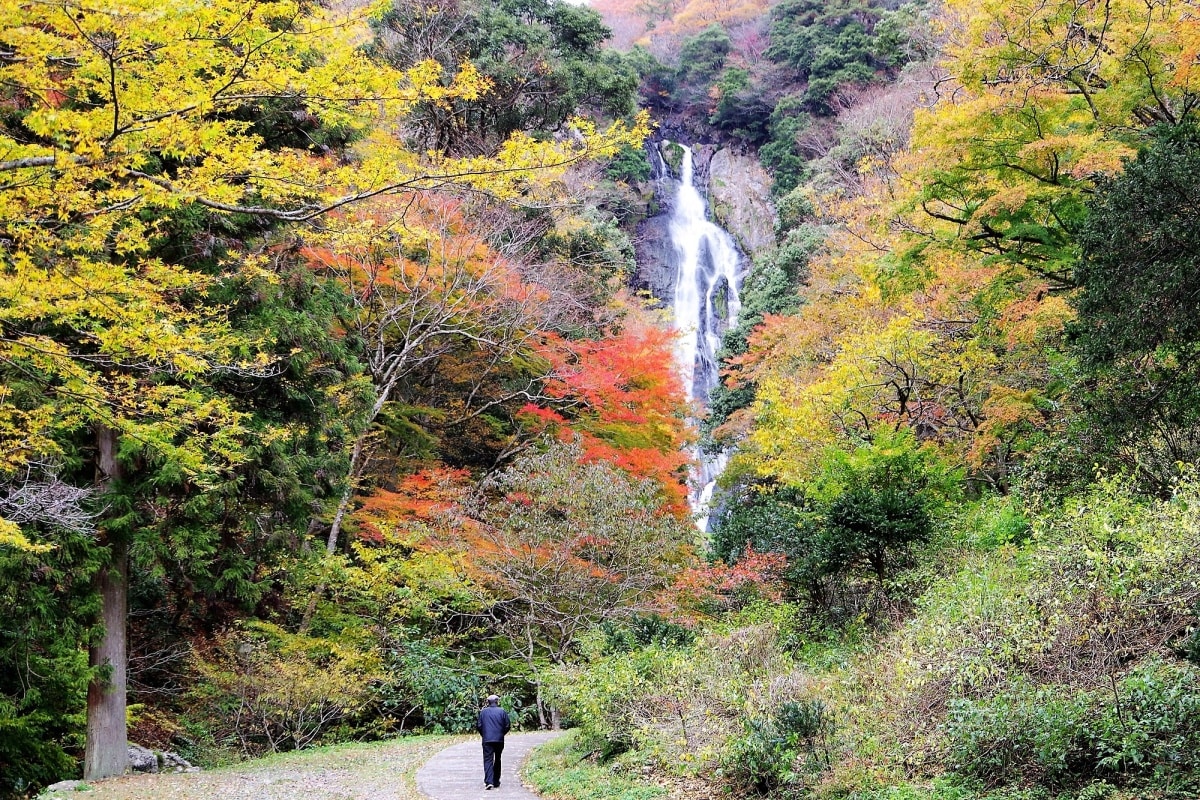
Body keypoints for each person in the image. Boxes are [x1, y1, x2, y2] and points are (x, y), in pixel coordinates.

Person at [476, 694, 511, 790]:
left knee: (488, 759)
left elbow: (479, 725)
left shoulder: (483, 712)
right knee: (498, 759)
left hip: (487, 740)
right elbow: (507, 725)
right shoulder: (502, 711)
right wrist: (501, 734)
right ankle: (496, 781)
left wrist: (484, 734)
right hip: (499, 740)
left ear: (488, 702)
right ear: (497, 701)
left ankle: (489, 781)